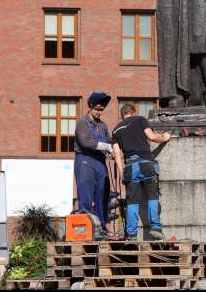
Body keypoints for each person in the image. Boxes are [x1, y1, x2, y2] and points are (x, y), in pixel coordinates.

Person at [110, 103, 172, 240]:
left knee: (132, 201)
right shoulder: (140, 120)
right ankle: (155, 228)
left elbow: (116, 152)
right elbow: (152, 137)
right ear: (133, 112)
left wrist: (122, 172)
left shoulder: (115, 130)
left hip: (130, 166)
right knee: (152, 196)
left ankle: (131, 234)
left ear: (122, 115)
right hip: (145, 163)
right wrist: (165, 137)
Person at [74, 91, 114, 237]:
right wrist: (106, 147)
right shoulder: (82, 123)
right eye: (98, 109)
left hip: (100, 163)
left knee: (101, 197)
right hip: (86, 161)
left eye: (102, 110)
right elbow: (86, 142)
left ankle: (100, 229)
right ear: (90, 107)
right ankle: (85, 230)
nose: (100, 112)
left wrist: (114, 147)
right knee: (85, 196)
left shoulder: (103, 126)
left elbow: (109, 141)